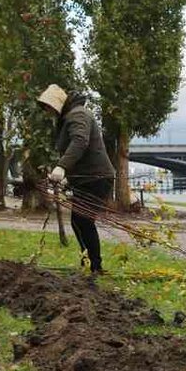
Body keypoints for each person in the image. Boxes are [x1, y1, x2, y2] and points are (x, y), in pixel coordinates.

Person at [36, 84, 117, 273]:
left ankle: (94, 266)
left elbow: (80, 141)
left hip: (96, 178)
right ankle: (90, 263)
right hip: (87, 178)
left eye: (48, 107)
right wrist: (66, 176)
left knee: (83, 221)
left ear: (57, 104)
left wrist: (62, 167)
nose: (47, 112)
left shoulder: (77, 115)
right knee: (79, 221)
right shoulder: (71, 116)